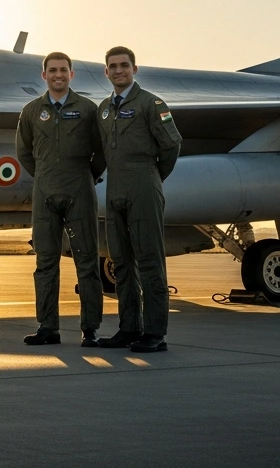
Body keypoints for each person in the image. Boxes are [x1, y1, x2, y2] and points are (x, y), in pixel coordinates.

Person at [95, 46, 182, 353]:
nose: (118, 71)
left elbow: (172, 145)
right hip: (115, 188)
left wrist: (153, 177)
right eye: (113, 66)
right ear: (106, 72)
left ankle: (155, 332)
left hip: (144, 185)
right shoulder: (104, 108)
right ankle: (129, 327)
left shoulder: (150, 103)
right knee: (120, 261)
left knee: (149, 261)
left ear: (134, 68)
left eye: (124, 65)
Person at [16, 52, 106, 347]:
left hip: (80, 191)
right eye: (52, 70)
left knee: (88, 261)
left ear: (71, 74)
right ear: (44, 75)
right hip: (44, 194)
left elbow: (101, 150)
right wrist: (45, 174)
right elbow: (25, 153)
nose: (58, 75)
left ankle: (90, 328)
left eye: (63, 70)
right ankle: (48, 328)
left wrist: (84, 175)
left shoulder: (87, 109)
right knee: (45, 262)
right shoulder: (31, 111)